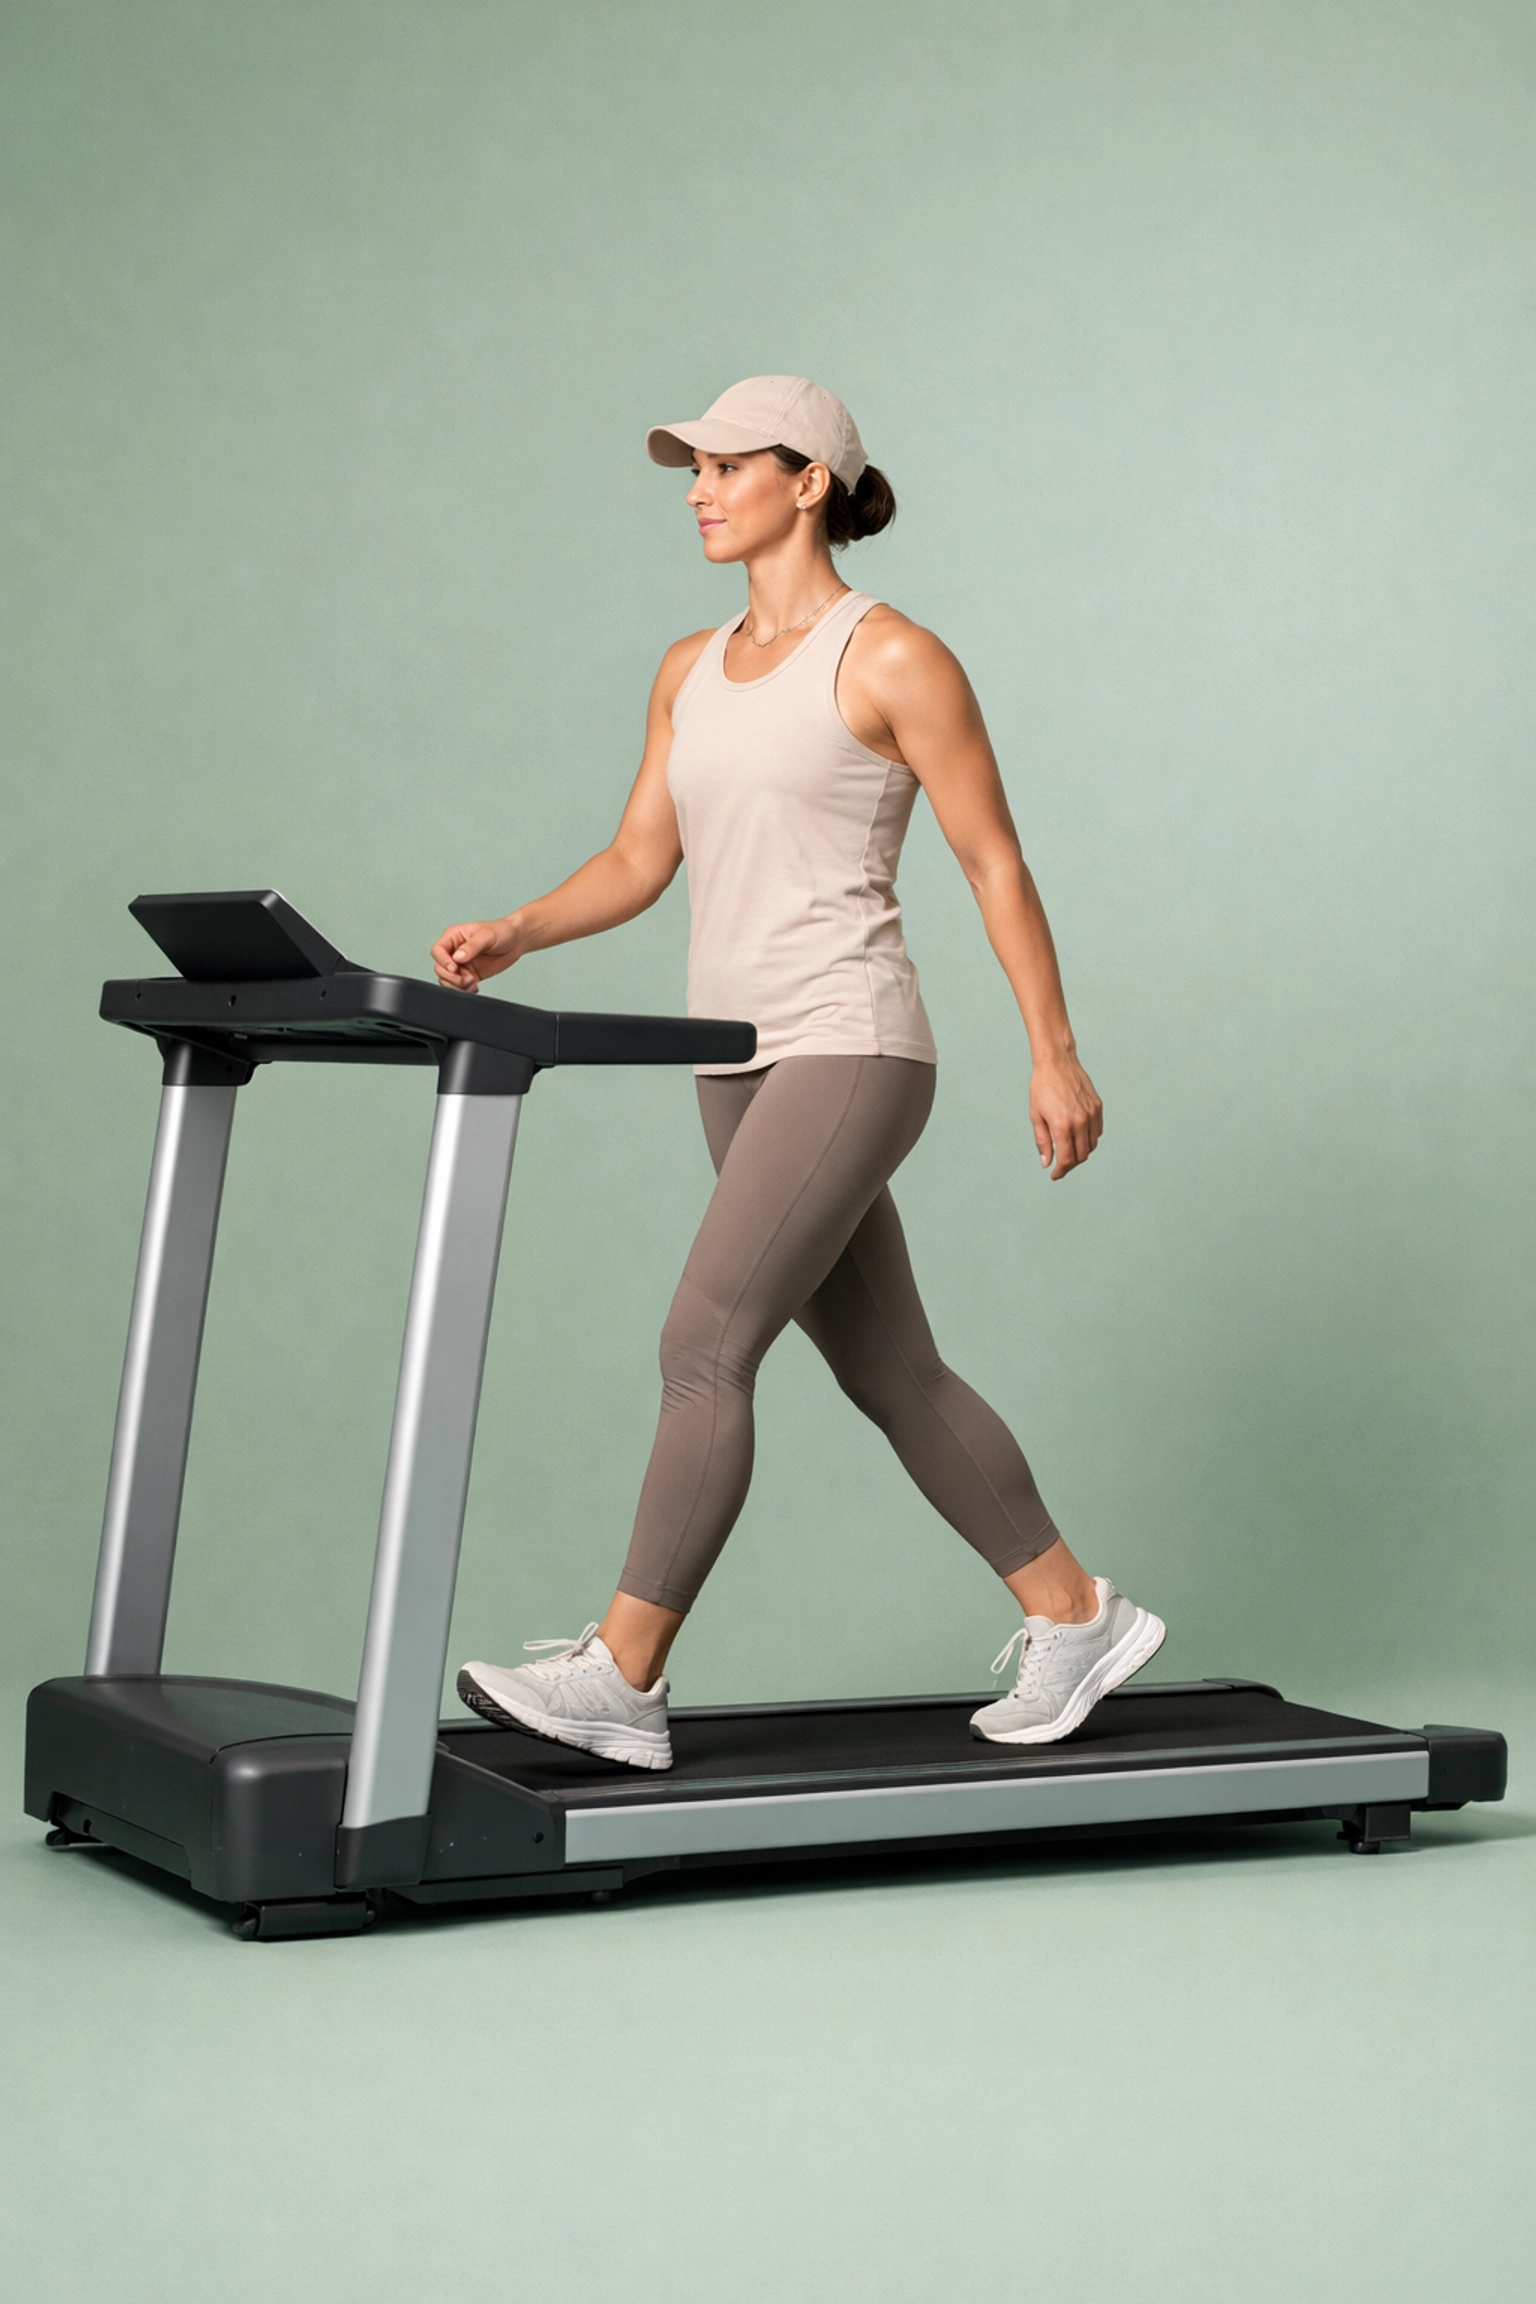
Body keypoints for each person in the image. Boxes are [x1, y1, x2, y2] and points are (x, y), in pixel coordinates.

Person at [434, 375, 1163, 1771]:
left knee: (705, 1345)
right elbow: (644, 859)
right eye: (689, 471)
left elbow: (992, 861)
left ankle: (624, 1674)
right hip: (734, 1056)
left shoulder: (891, 658)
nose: (699, 489)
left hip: (851, 1038)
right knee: (893, 1369)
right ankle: (1073, 1612)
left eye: (725, 464)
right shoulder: (685, 667)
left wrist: (1054, 1055)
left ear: (809, 479)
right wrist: (523, 926)